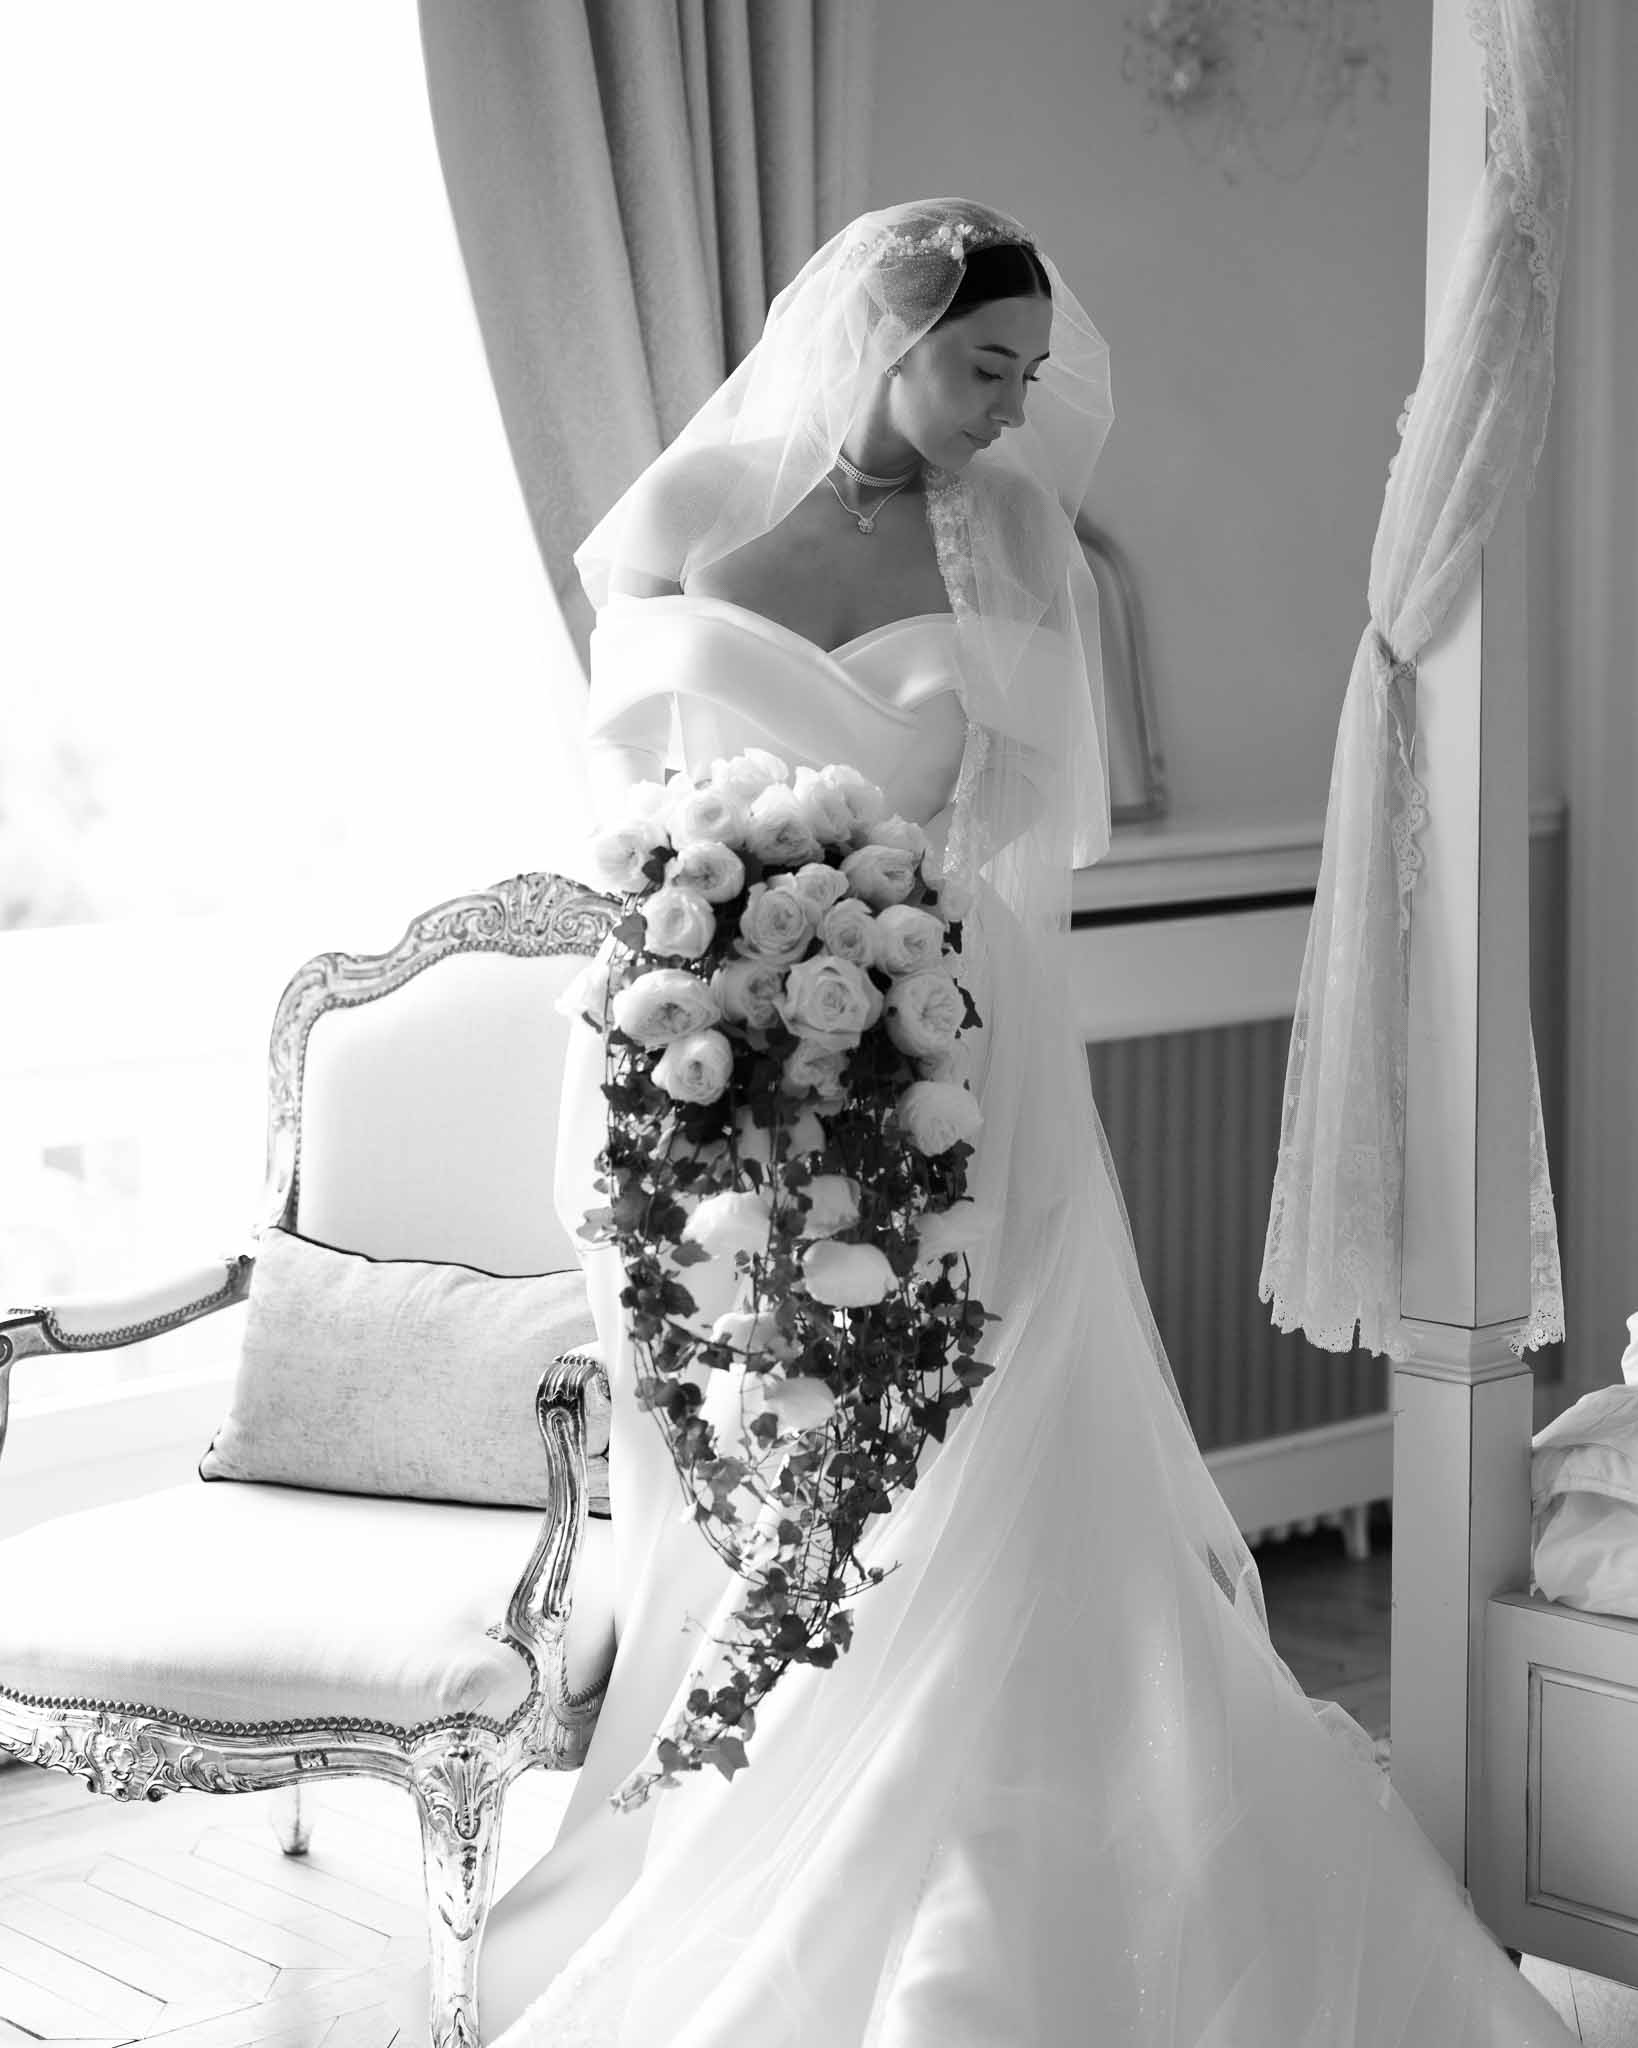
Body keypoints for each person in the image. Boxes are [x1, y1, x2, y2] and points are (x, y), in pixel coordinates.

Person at [451, 197, 1571, 2044]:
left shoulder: (1022, 535)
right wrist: (725, 949)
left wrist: (893, 977)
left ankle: (994, 1867)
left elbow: (1022, 832)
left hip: (951, 1042)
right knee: (752, 1472)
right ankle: (746, 1817)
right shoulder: (678, 520)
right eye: (983, 367)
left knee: (977, 1455)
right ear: (877, 336)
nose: (1007, 408)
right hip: (694, 1045)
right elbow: (622, 799)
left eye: (1029, 375)